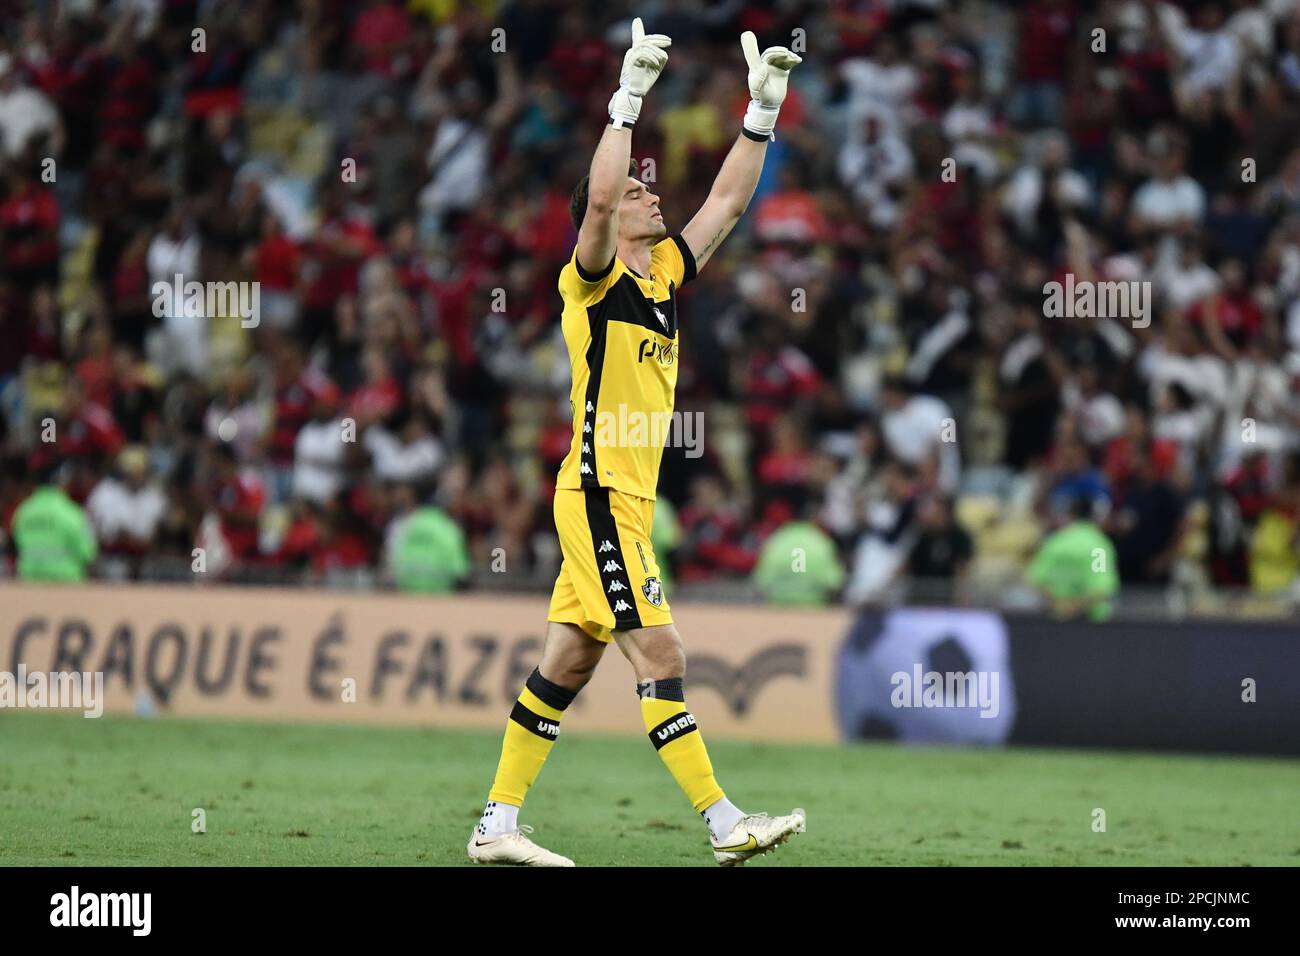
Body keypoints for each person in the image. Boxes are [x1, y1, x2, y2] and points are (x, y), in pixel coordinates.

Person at [469, 20, 806, 867]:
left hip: (624, 497)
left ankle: (497, 825)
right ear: (612, 217)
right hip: (597, 493)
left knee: (569, 665)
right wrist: (627, 99)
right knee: (662, 651)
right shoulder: (594, 281)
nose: (655, 196)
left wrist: (760, 114)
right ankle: (726, 823)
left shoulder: (661, 280)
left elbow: (727, 204)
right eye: (640, 195)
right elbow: (598, 197)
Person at [1026, 495, 1119, 622]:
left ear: (1070, 516)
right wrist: (1075, 607)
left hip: (1056, 619)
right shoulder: (1099, 546)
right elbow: (1103, 588)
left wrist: (1060, 604)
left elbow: (1037, 579)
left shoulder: (1055, 542)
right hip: (1091, 622)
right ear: (1094, 518)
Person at [11, 462, 97, 582]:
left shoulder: (23, 511)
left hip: (29, 582)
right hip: (66, 583)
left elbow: (17, 544)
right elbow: (88, 553)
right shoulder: (72, 513)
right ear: (62, 483)